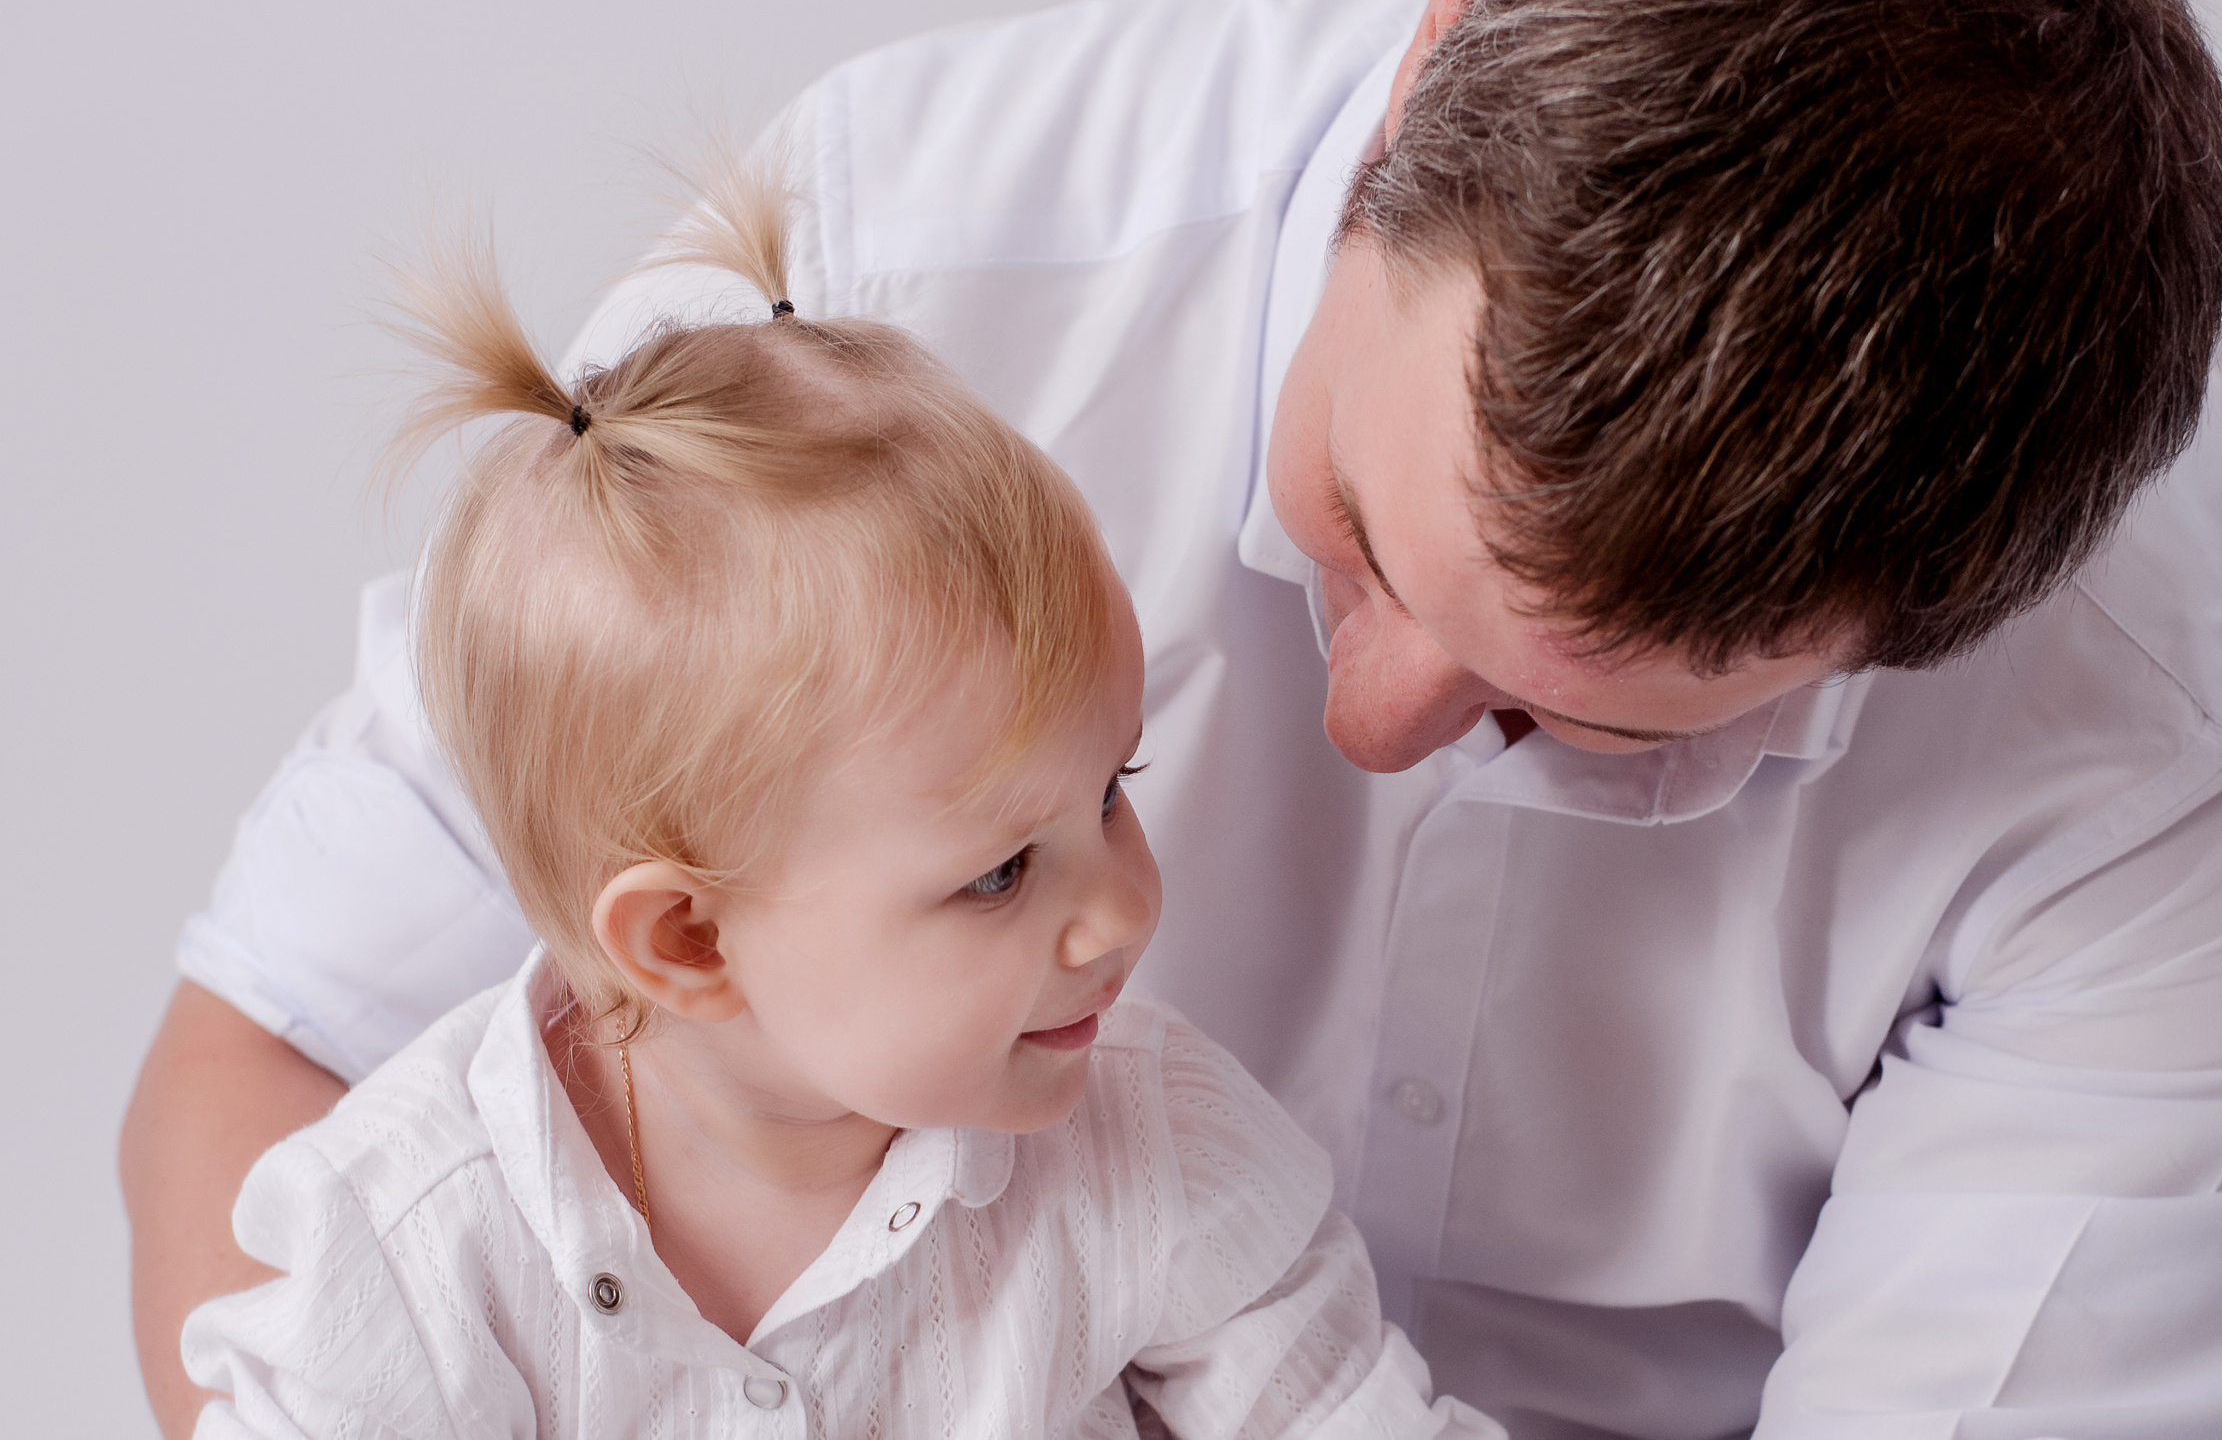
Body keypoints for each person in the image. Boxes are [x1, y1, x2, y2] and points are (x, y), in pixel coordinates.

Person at [124, 0, 2222, 1440]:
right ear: (1427, 78)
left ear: (1935, 631)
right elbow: (284, 1049)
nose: (1369, 720)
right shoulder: (887, 295)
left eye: (1592, 726)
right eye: (1349, 525)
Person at [179, 170, 1497, 1438]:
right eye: (997, 873)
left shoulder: (1146, 1144)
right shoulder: (417, 1251)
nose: (1122, 909)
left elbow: (1339, 1410)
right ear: (691, 940)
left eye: (1109, 791)